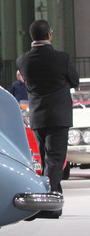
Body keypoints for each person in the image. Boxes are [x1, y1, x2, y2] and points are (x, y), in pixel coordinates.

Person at [16, 19, 79, 209]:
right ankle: (50, 200)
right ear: (49, 35)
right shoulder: (62, 59)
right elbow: (74, 81)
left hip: (38, 116)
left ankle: (52, 196)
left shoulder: (23, 60)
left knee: (45, 158)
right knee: (56, 158)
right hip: (58, 116)